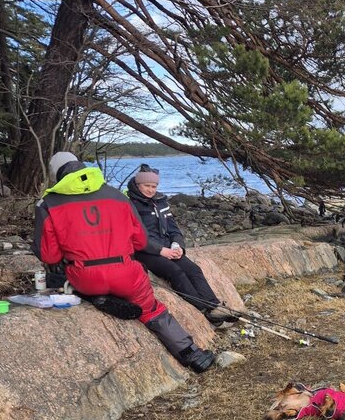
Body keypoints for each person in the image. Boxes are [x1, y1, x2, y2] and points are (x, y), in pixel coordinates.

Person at [33, 151, 215, 372]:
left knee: (60, 277)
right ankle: (192, 355)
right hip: (126, 274)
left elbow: (49, 255)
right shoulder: (118, 196)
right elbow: (140, 241)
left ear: (56, 175)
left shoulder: (48, 203)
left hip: (85, 277)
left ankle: (95, 297)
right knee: (153, 309)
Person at [127, 165, 233, 325]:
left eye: (154, 186)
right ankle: (205, 310)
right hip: (145, 251)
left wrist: (177, 245)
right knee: (176, 272)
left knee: (193, 270)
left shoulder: (161, 202)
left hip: (169, 248)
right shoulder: (130, 204)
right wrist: (161, 250)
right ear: (138, 185)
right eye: (146, 186)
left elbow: (173, 228)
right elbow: (134, 236)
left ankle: (215, 306)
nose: (150, 190)